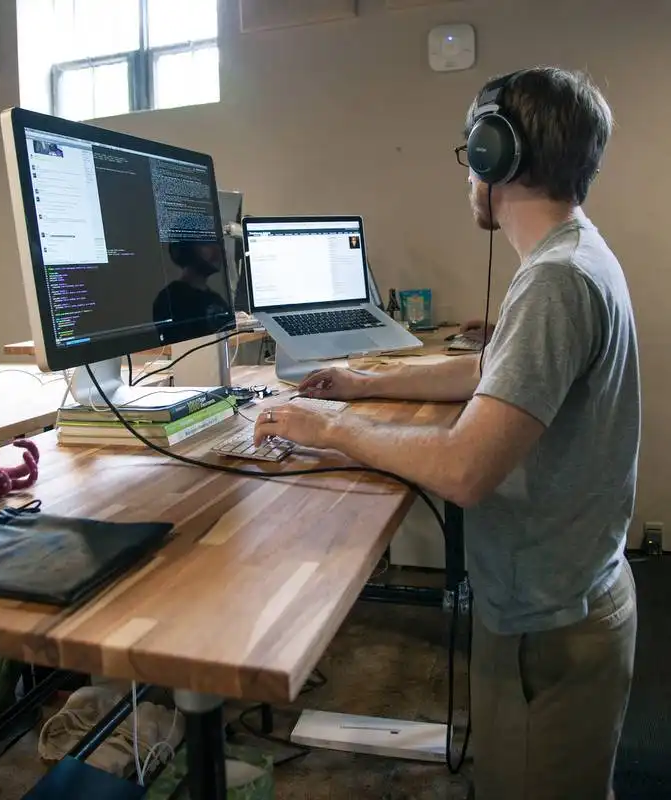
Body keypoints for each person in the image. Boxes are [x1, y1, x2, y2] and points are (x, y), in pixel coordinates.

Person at [254, 67, 639, 800]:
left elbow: (463, 469)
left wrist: (332, 426)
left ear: (498, 156)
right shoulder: (572, 254)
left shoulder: (555, 281)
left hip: (550, 626)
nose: (467, 176)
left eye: (471, 153)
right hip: (566, 599)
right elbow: (493, 378)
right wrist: (365, 387)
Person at [153, 241, 231, 340]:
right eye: (205, 244)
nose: (216, 251)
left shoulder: (215, 298)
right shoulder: (169, 299)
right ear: (185, 249)